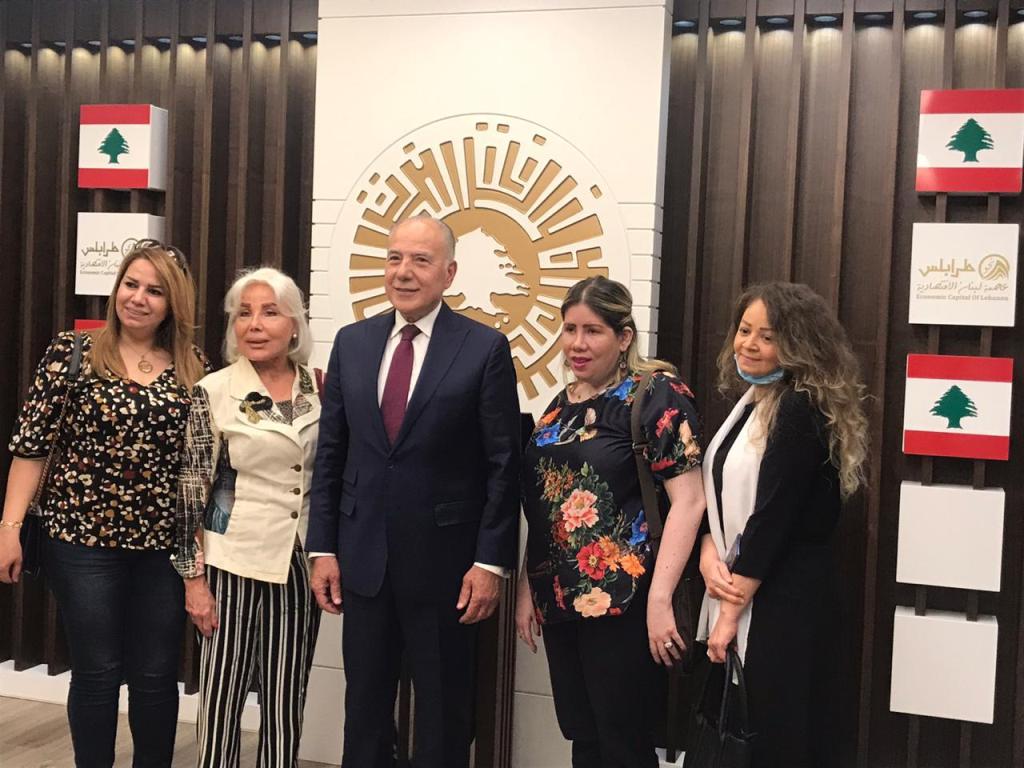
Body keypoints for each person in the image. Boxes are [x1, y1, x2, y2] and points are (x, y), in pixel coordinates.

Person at [306, 214, 521, 768]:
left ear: (449, 273)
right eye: (394, 258)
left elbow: (503, 465)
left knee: (444, 719)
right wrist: (322, 547)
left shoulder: (483, 348)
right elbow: (331, 455)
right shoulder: (352, 344)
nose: (403, 271)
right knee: (364, 714)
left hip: (448, 570)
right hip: (363, 564)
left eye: (421, 260)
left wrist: (490, 563)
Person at [0, 240, 206, 768]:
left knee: (156, 675)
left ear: (173, 303)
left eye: (154, 291)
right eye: (130, 285)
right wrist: (9, 528)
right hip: (81, 544)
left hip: (162, 548)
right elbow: (31, 448)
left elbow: (200, 469)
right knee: (96, 672)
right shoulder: (73, 351)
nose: (137, 298)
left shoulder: (195, 368)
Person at [655, 282, 867, 767]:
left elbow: (773, 517)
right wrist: (708, 550)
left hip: (781, 604)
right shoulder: (752, 401)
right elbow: (719, 496)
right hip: (742, 589)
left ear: (797, 345)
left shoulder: (798, 407)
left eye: (767, 337)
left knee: (770, 738)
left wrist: (729, 613)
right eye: (744, 330)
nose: (748, 344)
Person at [514, 275, 706, 768]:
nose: (577, 344)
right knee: (584, 738)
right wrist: (527, 588)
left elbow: (689, 502)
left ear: (624, 338)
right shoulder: (560, 407)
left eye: (593, 331)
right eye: (570, 329)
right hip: (560, 602)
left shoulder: (655, 394)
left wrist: (660, 600)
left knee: (625, 743)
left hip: (626, 602)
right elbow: (546, 505)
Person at [171, 267, 322, 767]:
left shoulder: (319, 387)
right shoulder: (214, 390)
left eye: (270, 312)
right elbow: (191, 490)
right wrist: (193, 581)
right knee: (222, 696)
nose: (254, 325)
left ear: (294, 324)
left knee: (286, 697)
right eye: (244, 314)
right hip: (230, 561)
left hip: (298, 561)